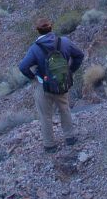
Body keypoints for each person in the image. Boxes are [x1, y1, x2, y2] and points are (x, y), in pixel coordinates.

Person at [18, 18, 85, 152]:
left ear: (38, 30)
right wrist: (70, 71)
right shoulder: (64, 42)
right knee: (64, 109)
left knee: (45, 116)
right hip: (62, 83)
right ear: (51, 27)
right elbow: (79, 55)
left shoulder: (35, 48)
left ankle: (50, 145)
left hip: (43, 86)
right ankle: (70, 138)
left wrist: (34, 78)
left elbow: (23, 67)